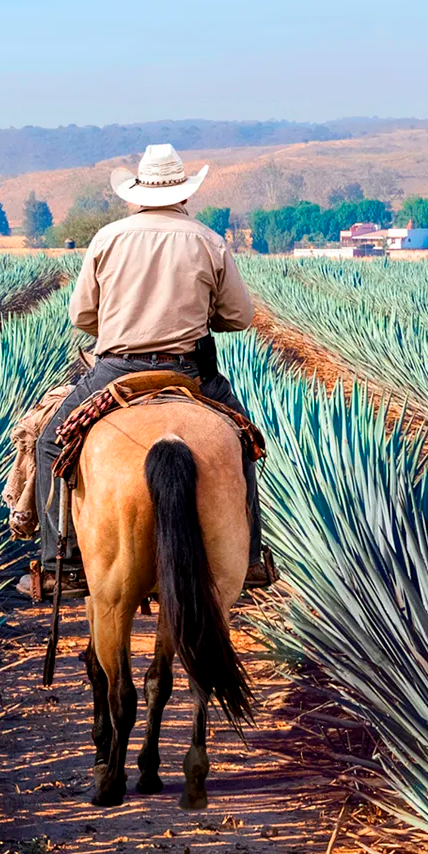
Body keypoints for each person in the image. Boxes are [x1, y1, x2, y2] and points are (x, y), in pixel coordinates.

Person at [32, 142, 269, 591]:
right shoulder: (208, 240)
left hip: (116, 370)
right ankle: (251, 559)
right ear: (183, 193)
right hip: (189, 373)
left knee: (49, 442)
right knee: (241, 441)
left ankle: (59, 562)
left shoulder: (108, 238)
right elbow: (238, 318)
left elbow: (82, 317)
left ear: (137, 193)